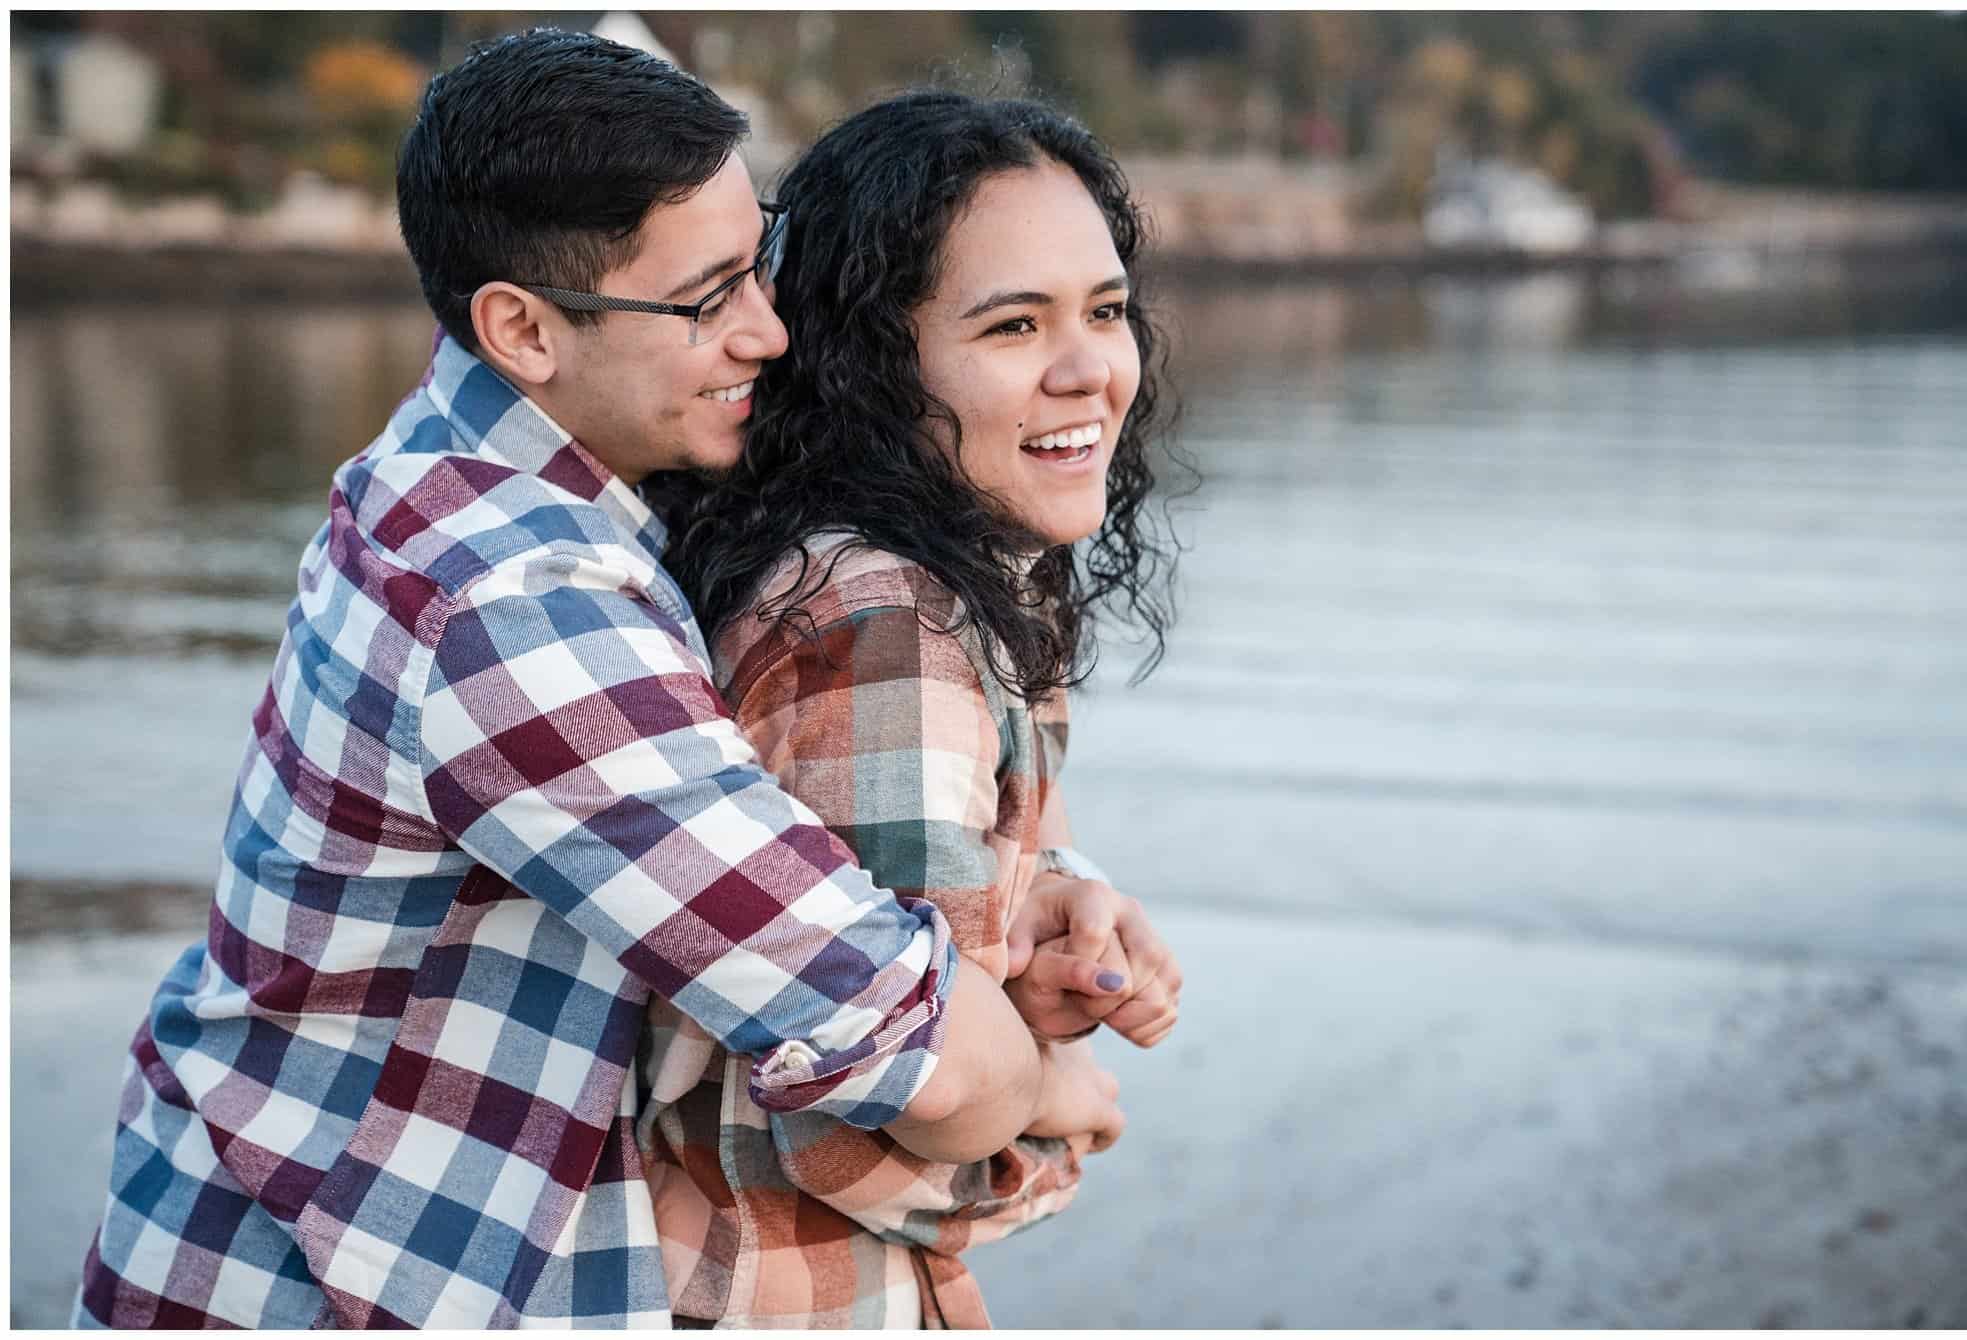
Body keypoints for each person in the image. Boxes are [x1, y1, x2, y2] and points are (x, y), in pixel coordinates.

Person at [73, 33, 1161, 1330]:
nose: (772, 331)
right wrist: (1049, 1087)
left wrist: (1047, 887)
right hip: (318, 1284)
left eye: (756, 262)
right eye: (706, 300)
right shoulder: (518, 619)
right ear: (521, 328)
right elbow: (897, 1031)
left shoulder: (485, 468)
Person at [639, 88, 1185, 1328]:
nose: (1086, 367)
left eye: (1104, 310)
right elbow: (848, 1118)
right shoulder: (887, 625)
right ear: (875, 364)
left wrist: (1041, 901)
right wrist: (1061, 1105)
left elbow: (912, 952)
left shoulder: (894, 576)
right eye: (1010, 326)